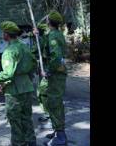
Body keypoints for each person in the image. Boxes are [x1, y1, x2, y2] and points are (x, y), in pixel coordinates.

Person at [0, 21, 36, 146]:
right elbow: (34, 64)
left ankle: (18, 143)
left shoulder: (9, 51)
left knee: (15, 120)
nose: (2, 35)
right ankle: (31, 141)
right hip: (26, 86)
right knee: (26, 117)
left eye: (3, 33)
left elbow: (9, 73)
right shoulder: (24, 47)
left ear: (6, 35)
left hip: (14, 91)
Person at [33, 11, 68, 146]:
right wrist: (39, 35)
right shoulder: (54, 34)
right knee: (49, 100)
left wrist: (48, 71)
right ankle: (56, 131)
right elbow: (44, 47)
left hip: (56, 74)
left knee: (55, 103)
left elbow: (56, 57)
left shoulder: (54, 35)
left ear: (49, 22)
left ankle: (61, 137)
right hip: (55, 74)